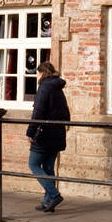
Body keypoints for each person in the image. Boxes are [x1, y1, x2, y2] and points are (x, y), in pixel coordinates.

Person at [27, 61, 70, 213]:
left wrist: (30, 132)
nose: (37, 76)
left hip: (44, 133)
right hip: (57, 133)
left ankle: (54, 195)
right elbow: (66, 111)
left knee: (33, 164)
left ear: (42, 73)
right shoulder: (57, 88)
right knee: (48, 167)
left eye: (38, 73)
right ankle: (48, 203)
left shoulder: (44, 87)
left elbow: (38, 112)